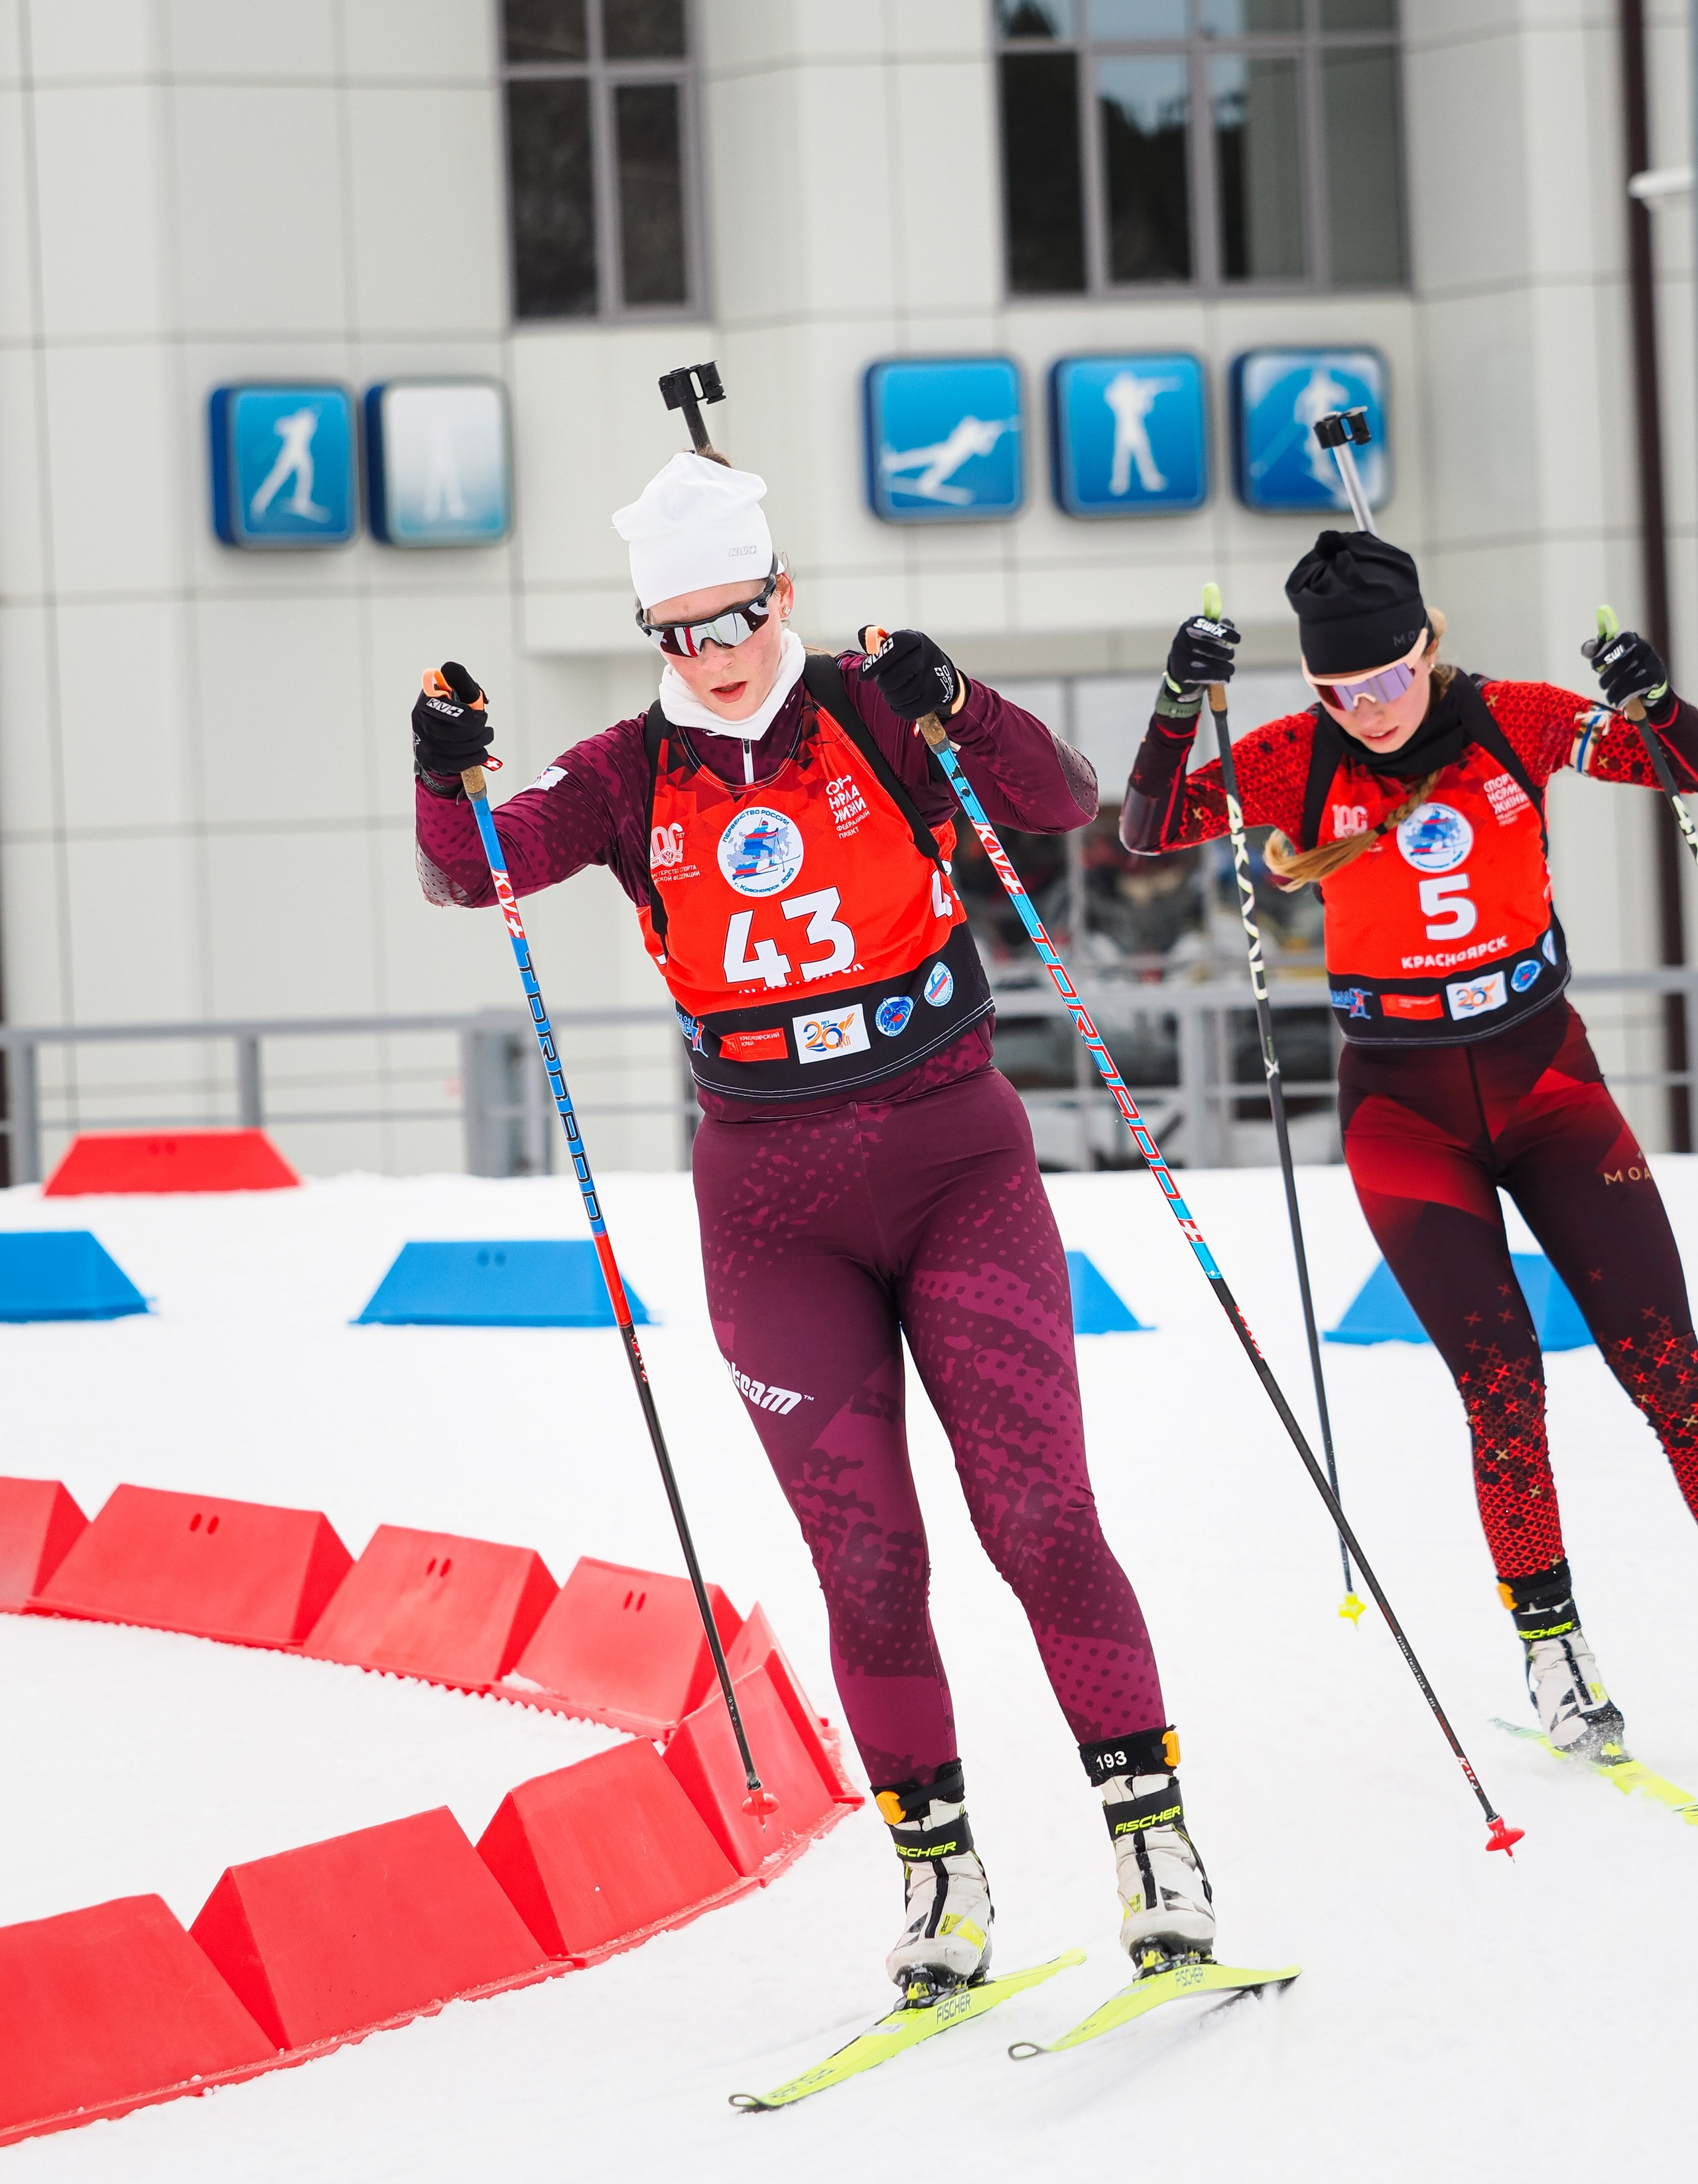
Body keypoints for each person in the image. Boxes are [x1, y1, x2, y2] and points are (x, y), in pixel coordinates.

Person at [413, 446, 1215, 1992]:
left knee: (1037, 1516)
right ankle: (939, 1879)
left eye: (731, 618)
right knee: (863, 1559)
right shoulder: (622, 772)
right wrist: (441, 768)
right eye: (676, 633)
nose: (708, 657)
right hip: (768, 1199)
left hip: (950, 1159)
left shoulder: (864, 706)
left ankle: (1148, 1834)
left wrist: (954, 698)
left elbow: (1056, 803)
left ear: (780, 594)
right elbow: (476, 875)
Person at [1122, 528, 1698, 1761]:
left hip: (1548, 1083)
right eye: (1340, 691)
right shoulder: (1292, 759)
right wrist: (1181, 704)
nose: (1369, 711)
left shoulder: (1521, 720)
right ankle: (1555, 1655)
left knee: (1672, 1369)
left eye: (1387, 681)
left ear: (1429, 646)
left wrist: (1652, 698)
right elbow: (1148, 827)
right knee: (1502, 1392)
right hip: (1403, 1110)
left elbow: (1688, 764)